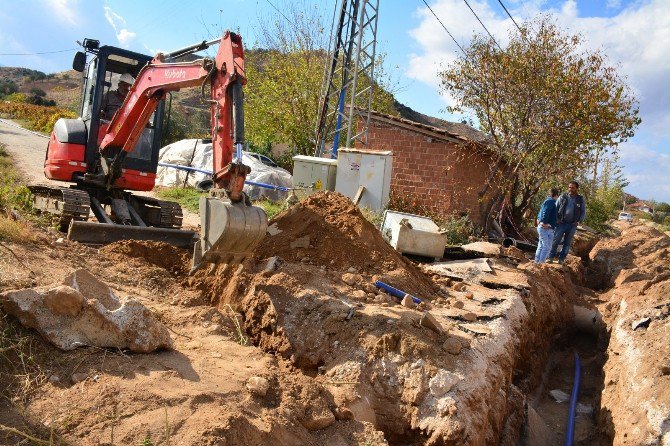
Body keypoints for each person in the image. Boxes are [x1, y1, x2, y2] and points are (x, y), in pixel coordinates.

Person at [548, 181, 586, 264]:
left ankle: (561, 260)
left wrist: (579, 221)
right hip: (561, 223)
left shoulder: (580, 199)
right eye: (569, 187)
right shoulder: (563, 197)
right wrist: (556, 219)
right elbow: (555, 208)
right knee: (555, 241)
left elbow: (583, 212)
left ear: (576, 188)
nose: (570, 189)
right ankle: (550, 257)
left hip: (572, 225)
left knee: (567, 244)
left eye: (572, 188)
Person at [534, 187, 559, 263]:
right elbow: (545, 212)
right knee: (547, 247)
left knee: (541, 245)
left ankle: (537, 262)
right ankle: (541, 263)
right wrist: (544, 223)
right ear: (556, 195)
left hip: (543, 227)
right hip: (546, 228)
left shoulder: (547, 201)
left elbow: (541, 211)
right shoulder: (551, 202)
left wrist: (539, 219)